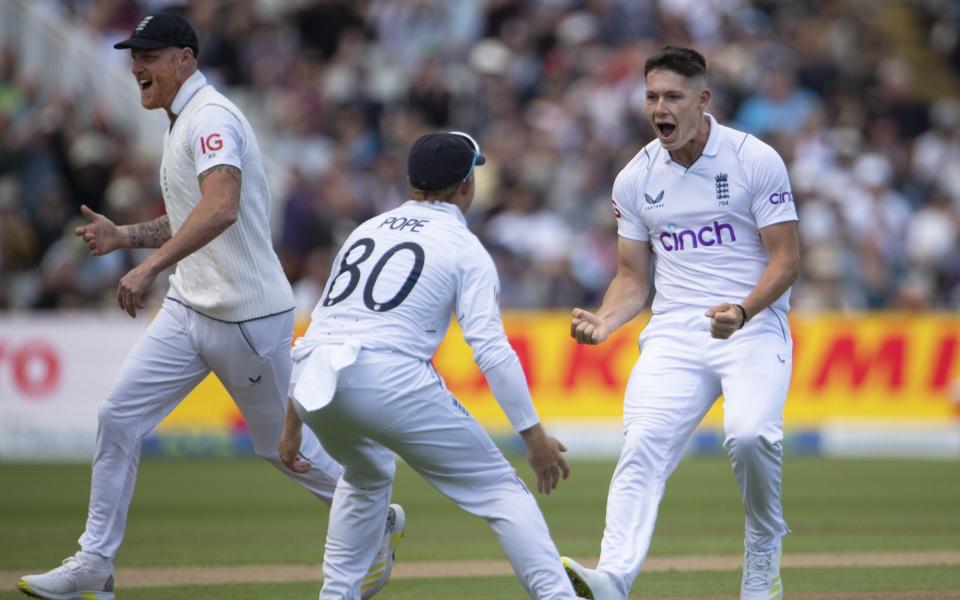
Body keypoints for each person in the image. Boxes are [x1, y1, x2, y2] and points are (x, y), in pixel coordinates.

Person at [17, 13, 402, 600]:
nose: (135, 65)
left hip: (245, 317)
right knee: (118, 416)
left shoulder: (212, 117)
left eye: (149, 54)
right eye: (133, 53)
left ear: (185, 60)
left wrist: (148, 266)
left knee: (280, 450)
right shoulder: (181, 121)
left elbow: (221, 208)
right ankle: (94, 567)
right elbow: (192, 217)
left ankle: (372, 506)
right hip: (189, 307)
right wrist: (126, 237)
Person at [279, 131, 578, 599]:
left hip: (315, 378)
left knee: (366, 474)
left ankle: (335, 595)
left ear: (410, 180)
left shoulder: (366, 230)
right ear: (466, 186)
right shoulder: (465, 247)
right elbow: (491, 349)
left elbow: (320, 328)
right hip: (388, 376)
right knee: (503, 493)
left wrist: (294, 421)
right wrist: (533, 435)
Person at [561, 47, 799, 600]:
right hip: (673, 331)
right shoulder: (635, 178)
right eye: (651, 97)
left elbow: (786, 260)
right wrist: (606, 320)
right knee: (641, 443)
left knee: (750, 435)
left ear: (702, 99)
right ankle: (613, 578)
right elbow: (631, 279)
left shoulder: (753, 158)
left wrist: (741, 311)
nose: (659, 108)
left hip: (753, 326)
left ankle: (764, 551)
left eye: (672, 96)